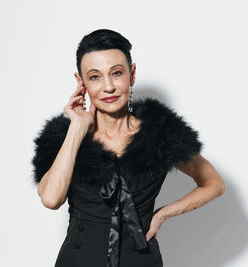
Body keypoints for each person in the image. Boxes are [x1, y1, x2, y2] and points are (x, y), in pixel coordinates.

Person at [31, 28, 226, 267]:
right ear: (81, 82)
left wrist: (163, 213)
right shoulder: (65, 136)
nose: (108, 87)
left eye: (116, 73)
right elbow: (51, 199)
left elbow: (214, 184)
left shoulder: (160, 134)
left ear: (132, 74)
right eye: (95, 77)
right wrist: (76, 129)